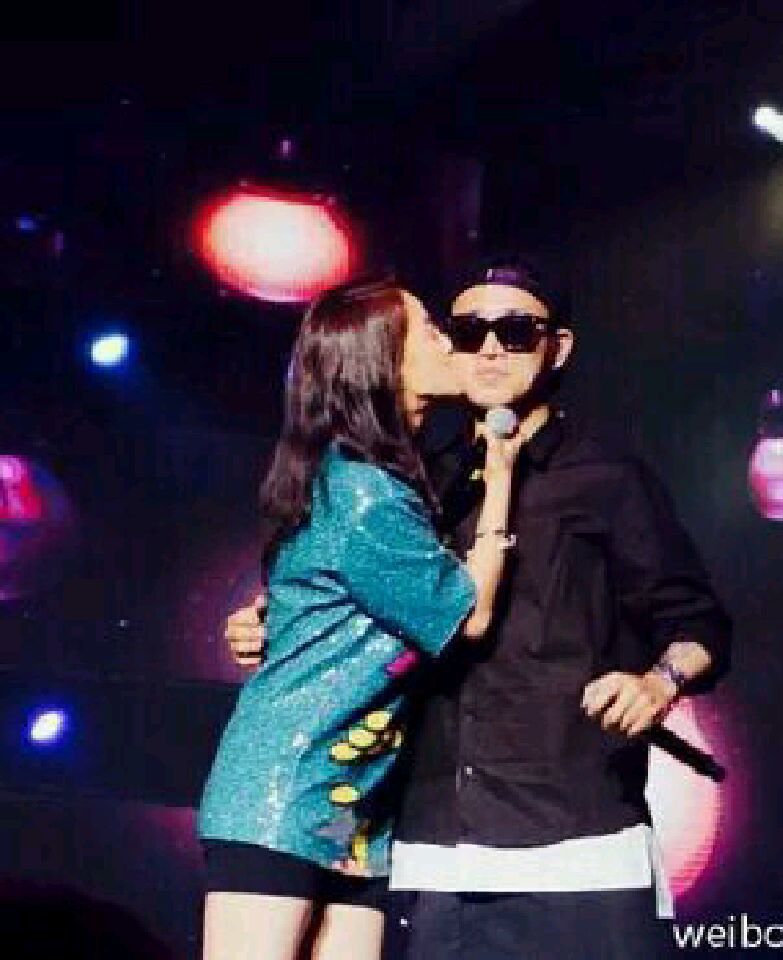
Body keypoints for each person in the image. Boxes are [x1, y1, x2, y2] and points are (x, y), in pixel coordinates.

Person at [226, 257, 733, 960]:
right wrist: (278, 618)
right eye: (468, 332)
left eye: (516, 331)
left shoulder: (608, 478)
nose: (490, 348)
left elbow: (699, 624)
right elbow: (357, 583)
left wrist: (659, 681)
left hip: (578, 845)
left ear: (558, 348)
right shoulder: (417, 482)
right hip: (433, 848)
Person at [198, 277, 523, 960]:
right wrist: (499, 487)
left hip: (354, 809)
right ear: (383, 360)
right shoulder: (364, 492)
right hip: (283, 792)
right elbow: (467, 616)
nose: (448, 341)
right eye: (429, 329)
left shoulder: (375, 480)